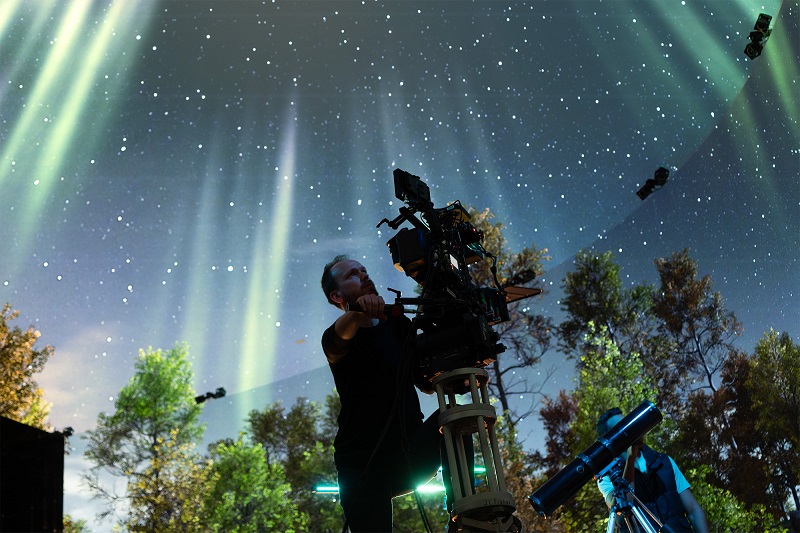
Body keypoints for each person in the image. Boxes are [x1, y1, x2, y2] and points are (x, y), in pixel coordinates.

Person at [321, 254, 467, 532]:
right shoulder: (336, 336)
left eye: (363, 270)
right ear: (336, 296)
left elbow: (425, 380)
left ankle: (463, 518)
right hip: (361, 469)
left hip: (408, 456)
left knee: (454, 416)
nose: (363, 275)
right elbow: (338, 337)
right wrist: (358, 313)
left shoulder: (398, 326)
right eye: (352, 274)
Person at [596, 407, 709, 533]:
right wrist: (630, 459)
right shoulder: (607, 475)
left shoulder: (664, 462)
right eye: (620, 428)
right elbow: (621, 516)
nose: (627, 429)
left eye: (627, 423)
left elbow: (693, 510)